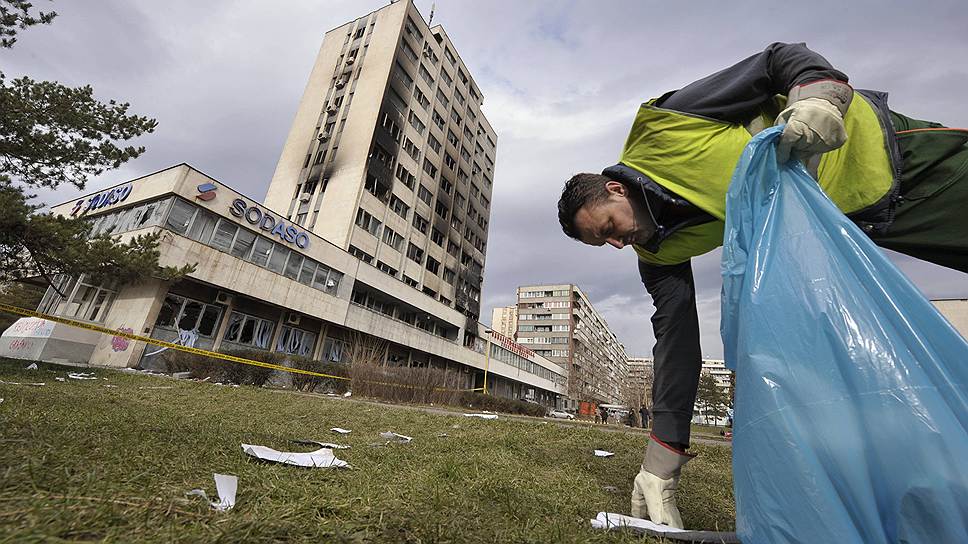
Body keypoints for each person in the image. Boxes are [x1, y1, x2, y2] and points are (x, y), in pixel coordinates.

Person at [556, 42, 968, 529]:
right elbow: (676, 342)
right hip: (863, 226)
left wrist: (818, 97)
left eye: (607, 228)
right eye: (602, 245)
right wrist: (662, 456)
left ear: (616, 189)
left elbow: (776, 60)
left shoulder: (665, 126)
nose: (617, 245)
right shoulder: (658, 252)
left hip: (898, 160)